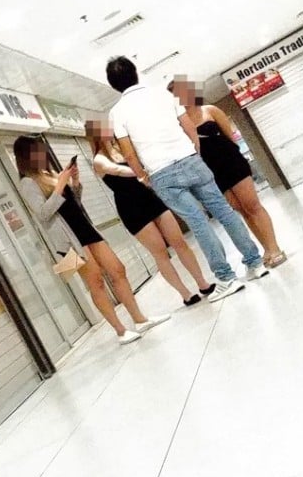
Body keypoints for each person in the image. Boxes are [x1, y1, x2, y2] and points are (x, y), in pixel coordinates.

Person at [105, 57, 268, 302]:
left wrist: (142, 175)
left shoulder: (117, 113)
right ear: (135, 72)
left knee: (199, 223)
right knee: (224, 211)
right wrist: (195, 152)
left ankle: (225, 278)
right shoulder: (163, 95)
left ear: (113, 84)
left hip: (161, 172)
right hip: (190, 158)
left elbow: (128, 152)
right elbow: (188, 127)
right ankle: (255, 263)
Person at [13, 135, 171, 344]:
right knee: (95, 282)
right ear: (27, 156)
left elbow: (73, 204)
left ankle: (140, 319)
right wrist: (61, 184)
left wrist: (74, 182)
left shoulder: (49, 174)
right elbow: (43, 214)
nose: (43, 154)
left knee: (117, 270)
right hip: (66, 242)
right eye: (37, 151)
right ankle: (121, 331)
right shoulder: (27, 183)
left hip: (86, 229)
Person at [85, 119, 215, 306]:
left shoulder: (122, 148)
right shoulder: (99, 159)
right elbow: (116, 170)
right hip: (131, 207)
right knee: (160, 253)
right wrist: (140, 172)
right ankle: (185, 293)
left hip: (149, 198)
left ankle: (202, 282)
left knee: (179, 242)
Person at [170, 78, 288, 268]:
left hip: (232, 162)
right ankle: (265, 248)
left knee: (252, 205)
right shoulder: (179, 124)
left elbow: (230, 136)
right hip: (211, 173)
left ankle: (274, 248)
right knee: (240, 210)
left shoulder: (210, 110)